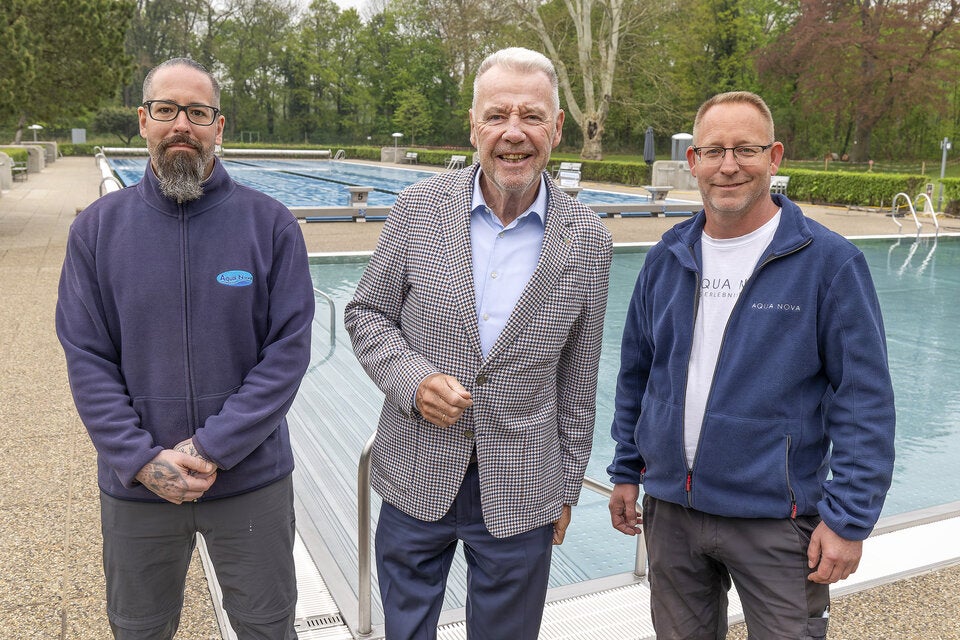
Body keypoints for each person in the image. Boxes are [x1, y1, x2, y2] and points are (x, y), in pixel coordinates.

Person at [344, 47, 612, 640]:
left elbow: (579, 378)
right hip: (416, 470)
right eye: (497, 115)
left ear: (557, 128)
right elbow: (366, 316)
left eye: (532, 116)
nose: (513, 133)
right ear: (473, 126)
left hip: (524, 485)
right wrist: (412, 381)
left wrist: (567, 487)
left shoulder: (589, 240)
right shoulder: (418, 208)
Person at [607, 91, 896, 639]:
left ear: (775, 156)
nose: (729, 165)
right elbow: (637, 376)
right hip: (671, 511)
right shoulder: (666, 259)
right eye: (714, 151)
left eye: (746, 149)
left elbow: (865, 401)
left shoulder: (829, 265)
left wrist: (848, 520)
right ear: (693, 161)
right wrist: (627, 469)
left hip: (777, 522)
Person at [56, 58, 314, 639]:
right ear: (144, 121)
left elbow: (288, 353)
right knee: (139, 629)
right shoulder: (96, 231)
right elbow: (86, 356)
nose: (182, 125)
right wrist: (141, 459)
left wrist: (211, 447)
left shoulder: (269, 226)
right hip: (138, 485)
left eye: (198, 113)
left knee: (268, 627)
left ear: (218, 128)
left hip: (250, 480)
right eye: (168, 110)